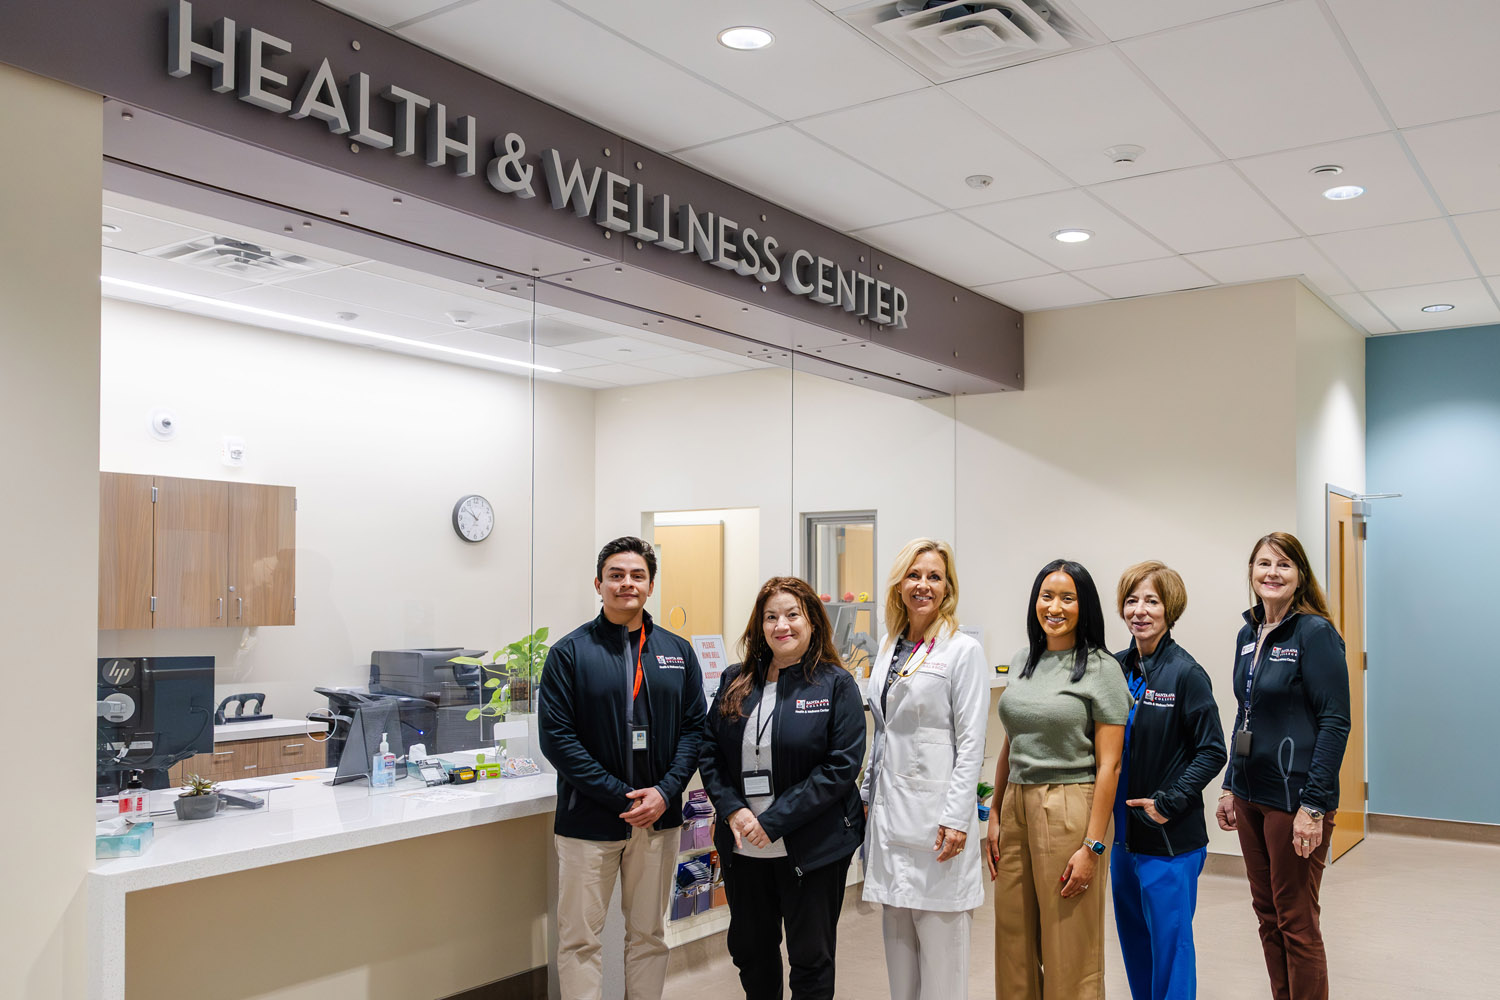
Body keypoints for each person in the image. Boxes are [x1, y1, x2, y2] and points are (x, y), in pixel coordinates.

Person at [537, 536, 706, 1000]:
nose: (625, 584)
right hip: (587, 821)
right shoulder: (570, 653)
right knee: (579, 940)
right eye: (616, 575)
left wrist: (664, 792)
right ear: (599, 584)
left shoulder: (677, 652)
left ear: (651, 585)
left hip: (658, 818)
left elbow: (695, 730)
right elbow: (558, 740)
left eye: (636, 575)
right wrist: (620, 796)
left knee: (649, 935)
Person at [699, 576, 866, 1000]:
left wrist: (773, 821)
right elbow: (710, 751)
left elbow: (840, 767)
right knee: (751, 953)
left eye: (792, 615)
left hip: (812, 847)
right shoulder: (735, 679)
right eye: (771, 617)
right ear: (760, 625)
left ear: (812, 621)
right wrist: (734, 810)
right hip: (743, 847)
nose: (781, 625)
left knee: (810, 958)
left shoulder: (834, 684)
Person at [985, 558, 1130, 1000]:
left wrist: (1093, 846)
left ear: (1084, 606)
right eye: (1047, 596)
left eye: (1068, 598)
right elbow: (1012, 740)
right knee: (1013, 940)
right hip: (1016, 806)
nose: (1055, 607)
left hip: (1069, 804)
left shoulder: (1102, 668)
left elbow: (1111, 766)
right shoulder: (1023, 660)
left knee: (1070, 946)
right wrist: (994, 812)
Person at [1216, 532, 1350, 1000]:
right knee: (1267, 914)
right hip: (1252, 794)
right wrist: (1230, 784)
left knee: (1296, 920)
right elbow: (1243, 711)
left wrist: (1314, 807)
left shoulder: (1314, 633)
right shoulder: (1247, 634)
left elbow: (1336, 722)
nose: (1272, 573)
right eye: (1263, 564)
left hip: (1296, 800)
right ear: (1252, 572)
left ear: (1299, 576)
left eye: (1284, 565)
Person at [860, 539, 988, 1000]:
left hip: (938, 823)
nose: (923, 585)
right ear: (899, 584)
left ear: (948, 587)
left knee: (942, 962)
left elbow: (972, 741)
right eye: (914, 575)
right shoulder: (890, 644)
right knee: (900, 958)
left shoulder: (962, 651)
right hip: (891, 818)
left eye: (934, 577)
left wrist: (957, 817)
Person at [1110, 561, 1227, 1000]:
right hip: (1122, 839)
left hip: (1169, 840)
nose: (1140, 611)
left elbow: (1213, 749)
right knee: (1136, 945)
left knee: (1171, 950)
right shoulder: (1116, 668)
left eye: (1152, 601)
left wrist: (1168, 800)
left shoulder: (1185, 673)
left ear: (1169, 609)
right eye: (1132, 600)